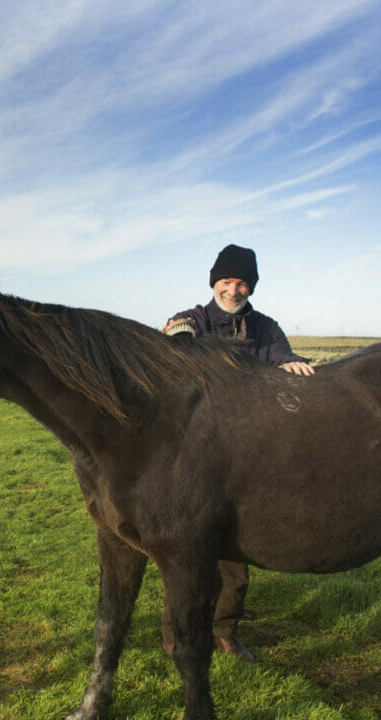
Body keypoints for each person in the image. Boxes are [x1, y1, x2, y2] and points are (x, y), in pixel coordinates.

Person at [160, 243, 314, 662]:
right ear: (215, 283)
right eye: (227, 281)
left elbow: (284, 356)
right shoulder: (195, 318)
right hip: (193, 453)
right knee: (186, 548)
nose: (234, 289)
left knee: (236, 551)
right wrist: (179, 335)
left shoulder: (264, 327)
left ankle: (224, 630)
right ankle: (175, 633)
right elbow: (173, 335)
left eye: (242, 282)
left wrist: (290, 364)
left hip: (245, 455)